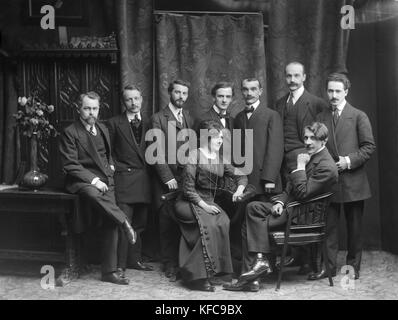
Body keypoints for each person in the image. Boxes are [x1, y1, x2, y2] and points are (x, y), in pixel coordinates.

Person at [224, 122, 338, 292]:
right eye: (305, 137)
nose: (307, 142)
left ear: (324, 140)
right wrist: (279, 202)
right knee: (252, 207)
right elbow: (290, 188)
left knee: (249, 224)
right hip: (290, 207)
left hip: (301, 216)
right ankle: (258, 265)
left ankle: (252, 275)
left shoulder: (327, 167)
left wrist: (299, 167)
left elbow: (302, 193)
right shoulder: (310, 155)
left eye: (313, 138)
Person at [59, 91, 137, 285]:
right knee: (94, 193)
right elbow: (70, 164)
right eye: (87, 108)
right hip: (81, 181)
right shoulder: (70, 132)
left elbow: (107, 154)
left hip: (105, 179)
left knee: (110, 218)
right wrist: (94, 180)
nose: (91, 113)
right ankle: (124, 221)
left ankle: (109, 272)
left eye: (94, 108)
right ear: (79, 109)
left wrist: (109, 167)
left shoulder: (102, 128)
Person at [309, 73, 376, 281]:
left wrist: (347, 161)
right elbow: (315, 147)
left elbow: (368, 147)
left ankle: (352, 267)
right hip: (329, 182)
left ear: (346, 91)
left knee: (354, 228)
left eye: (338, 91)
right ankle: (327, 267)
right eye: (330, 91)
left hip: (353, 182)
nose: (334, 95)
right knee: (328, 228)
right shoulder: (320, 117)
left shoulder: (358, 116)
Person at [174, 120, 247, 292]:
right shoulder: (194, 155)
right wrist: (204, 206)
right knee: (209, 223)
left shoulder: (221, 160)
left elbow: (241, 176)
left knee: (223, 221)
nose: (220, 141)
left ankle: (216, 272)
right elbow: (188, 190)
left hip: (210, 202)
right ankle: (197, 276)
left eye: (221, 137)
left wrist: (239, 189)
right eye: (216, 137)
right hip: (188, 202)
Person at [275, 62, 328, 271]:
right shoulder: (279, 103)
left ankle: (314, 261)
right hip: (284, 164)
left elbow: (321, 135)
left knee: (309, 209)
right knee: (292, 210)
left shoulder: (315, 103)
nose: (292, 80)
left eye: (297, 76)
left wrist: (309, 159)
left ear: (304, 77)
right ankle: (298, 257)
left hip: (306, 163)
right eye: (289, 76)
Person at [151, 79, 195, 281]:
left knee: (183, 218)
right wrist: (167, 177)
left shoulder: (187, 117)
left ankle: (182, 261)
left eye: (184, 93)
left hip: (185, 177)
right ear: (170, 93)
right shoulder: (158, 118)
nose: (181, 97)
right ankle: (169, 263)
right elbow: (155, 151)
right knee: (167, 220)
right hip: (167, 179)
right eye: (177, 93)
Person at [107, 85, 153, 276]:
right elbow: (107, 152)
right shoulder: (113, 123)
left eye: (136, 98)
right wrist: (114, 169)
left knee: (140, 224)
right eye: (129, 99)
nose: (133, 103)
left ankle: (135, 260)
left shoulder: (150, 123)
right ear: (123, 102)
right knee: (124, 223)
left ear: (141, 99)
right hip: (124, 180)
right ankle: (120, 266)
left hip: (145, 181)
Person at [233, 78, 284, 201]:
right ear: (241, 92)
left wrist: (269, 179)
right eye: (245, 89)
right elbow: (237, 151)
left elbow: (275, 150)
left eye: (253, 89)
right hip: (244, 181)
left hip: (265, 182)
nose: (249, 93)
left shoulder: (272, 115)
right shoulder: (238, 117)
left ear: (260, 91)